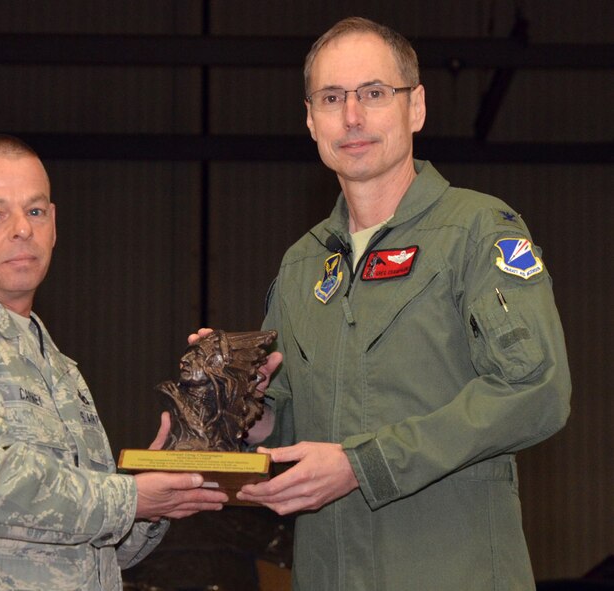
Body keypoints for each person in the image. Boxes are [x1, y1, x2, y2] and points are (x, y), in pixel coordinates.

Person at [234, 16, 571, 590]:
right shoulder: (302, 266)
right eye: (332, 97)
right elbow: (292, 421)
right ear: (311, 120)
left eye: (373, 94)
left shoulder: (478, 233)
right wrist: (244, 410)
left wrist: (365, 464)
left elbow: (536, 392)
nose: (353, 117)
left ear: (415, 108)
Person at [0, 134, 228, 591]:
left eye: (34, 212)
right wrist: (129, 497)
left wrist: (161, 490)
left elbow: (99, 547)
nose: (21, 229)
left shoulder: (58, 368)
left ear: (53, 225)